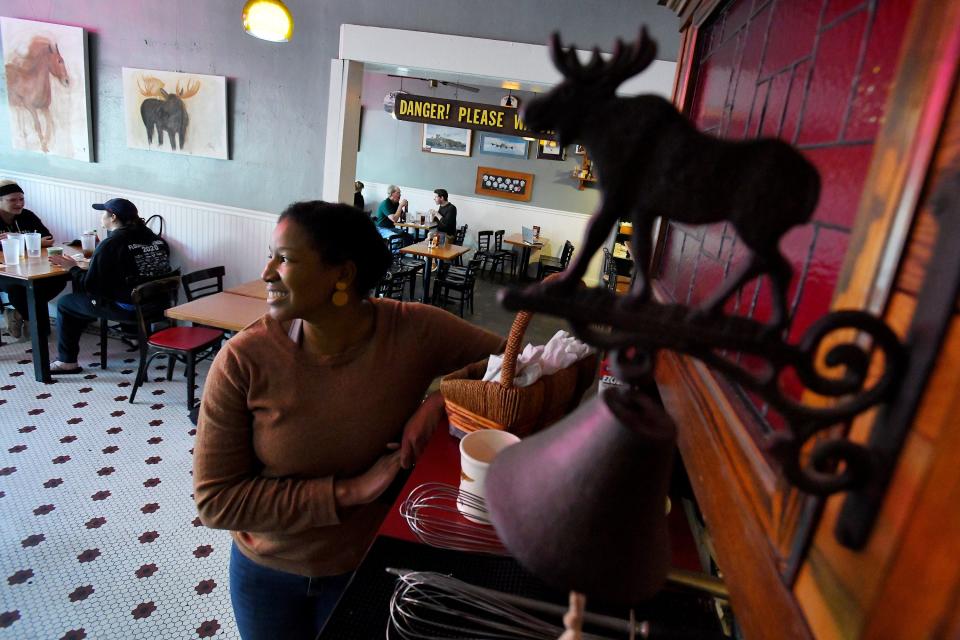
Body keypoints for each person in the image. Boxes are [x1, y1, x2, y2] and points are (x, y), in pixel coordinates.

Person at [193, 201, 504, 640]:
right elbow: (216, 502)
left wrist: (440, 399)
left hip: (369, 566)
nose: (266, 272)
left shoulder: (412, 330)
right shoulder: (243, 359)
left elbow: (522, 361)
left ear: (342, 274)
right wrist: (351, 491)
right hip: (266, 575)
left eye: (285, 259)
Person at [47, 198, 171, 374]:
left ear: (112, 217)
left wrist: (72, 268)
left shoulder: (111, 244)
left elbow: (92, 286)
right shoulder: (155, 239)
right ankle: (133, 335)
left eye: (103, 213)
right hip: (159, 304)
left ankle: (67, 362)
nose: (100, 217)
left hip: (131, 309)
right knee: (126, 287)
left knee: (67, 303)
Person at [0, 179, 64, 339]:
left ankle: (17, 315)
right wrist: (30, 242)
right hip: (4, 271)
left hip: (30, 266)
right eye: (12, 200)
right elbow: (39, 241)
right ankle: (35, 324)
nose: (19, 204)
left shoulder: (27, 215)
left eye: (21, 199)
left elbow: (48, 238)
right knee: (18, 288)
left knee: (59, 279)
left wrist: (16, 239)